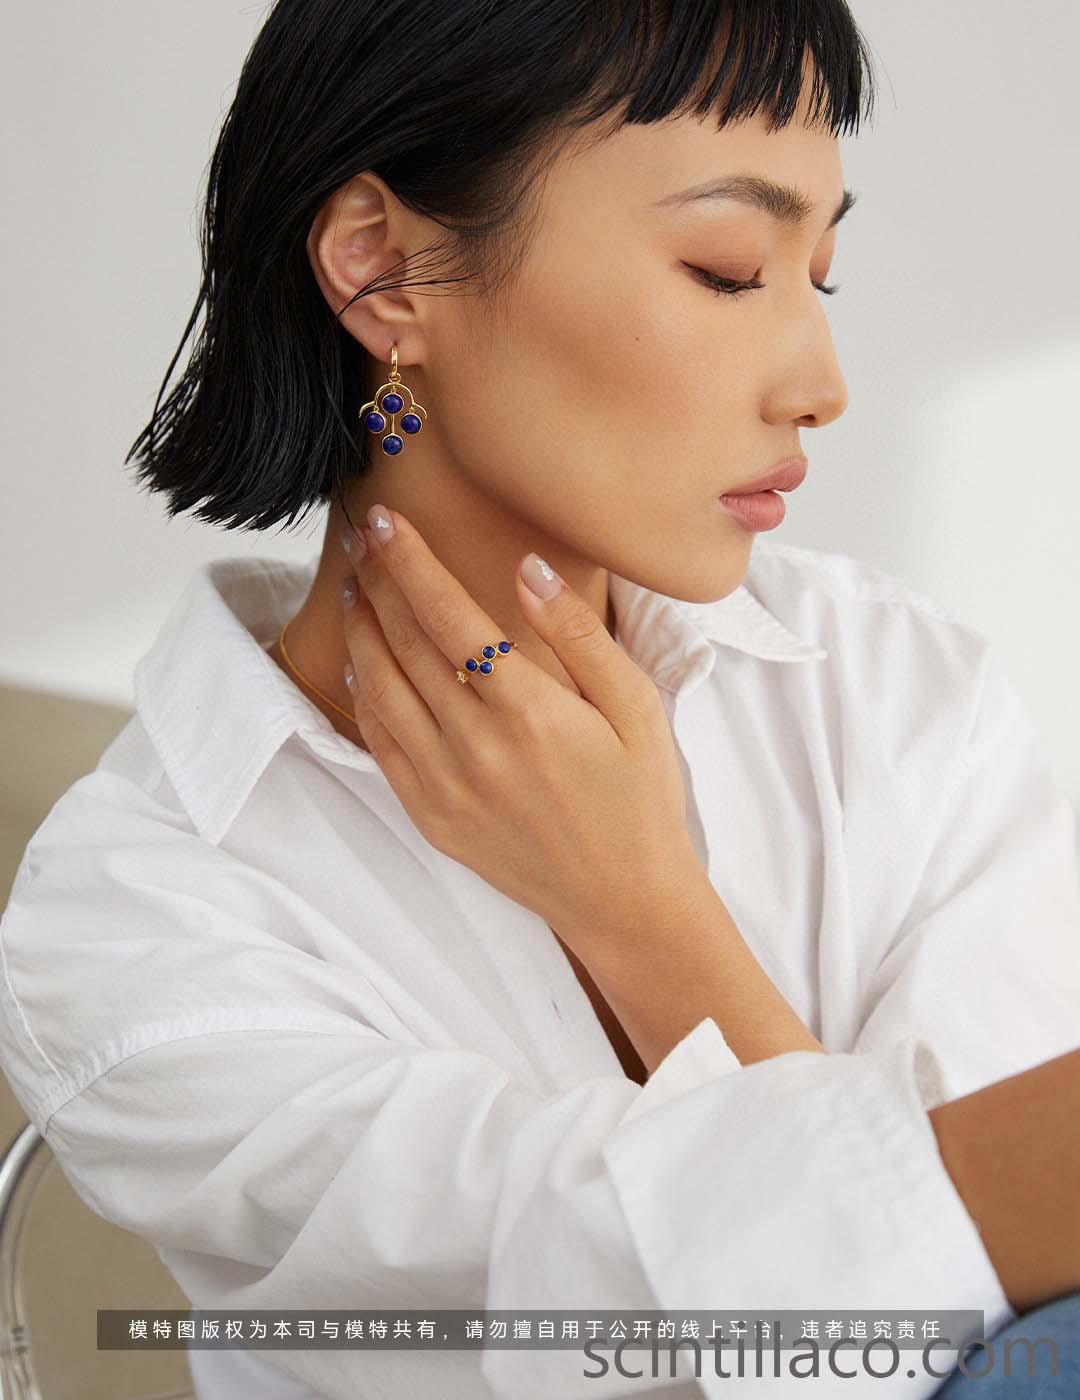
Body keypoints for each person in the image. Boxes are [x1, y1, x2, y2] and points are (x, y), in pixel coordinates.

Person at [1, 1, 1078, 1396]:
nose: (823, 384)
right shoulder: (144, 912)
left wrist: (642, 908)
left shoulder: (895, 690)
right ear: (386, 272)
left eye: (823, 274)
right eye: (730, 268)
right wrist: (631, 900)